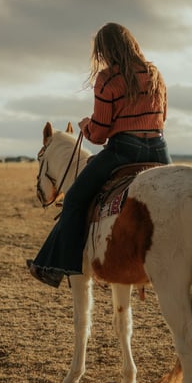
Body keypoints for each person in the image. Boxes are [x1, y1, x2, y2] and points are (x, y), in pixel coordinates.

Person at [28, 22, 172, 288]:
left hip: (124, 151)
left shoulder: (108, 79)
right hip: (159, 150)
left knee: (74, 198)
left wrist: (86, 126)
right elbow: (162, 117)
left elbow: (100, 134)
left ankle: (61, 267)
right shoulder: (155, 74)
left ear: (104, 51)